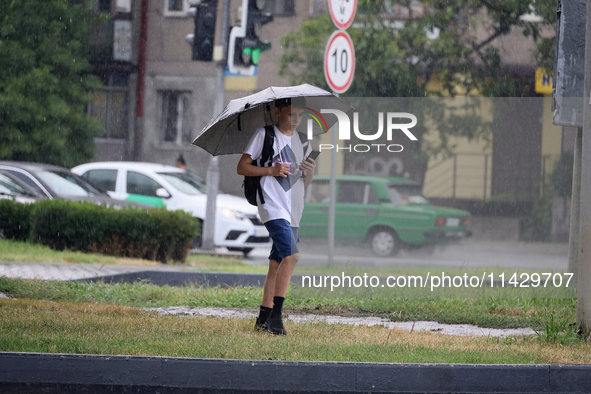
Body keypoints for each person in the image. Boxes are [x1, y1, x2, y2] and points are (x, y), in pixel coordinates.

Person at [236, 97, 315, 335]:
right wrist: (270, 170)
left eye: (300, 116)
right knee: (292, 257)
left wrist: (309, 173)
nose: (296, 120)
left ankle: (262, 319)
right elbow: (242, 167)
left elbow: (304, 183)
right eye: (292, 115)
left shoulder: (303, 141)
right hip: (272, 206)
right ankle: (276, 318)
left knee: (277, 263)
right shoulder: (265, 135)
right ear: (278, 111)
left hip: (294, 209)